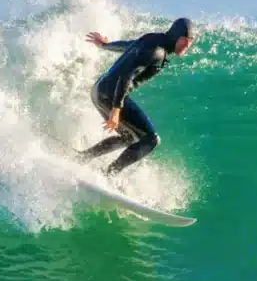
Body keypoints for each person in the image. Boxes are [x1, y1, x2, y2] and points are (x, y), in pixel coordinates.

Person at [77, 17, 195, 175]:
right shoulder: (158, 52)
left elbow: (128, 45)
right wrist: (116, 109)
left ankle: (83, 157)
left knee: (130, 137)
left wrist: (105, 45)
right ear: (175, 36)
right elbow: (126, 76)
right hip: (110, 94)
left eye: (190, 41)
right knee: (152, 139)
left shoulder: (152, 39)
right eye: (184, 40)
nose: (187, 45)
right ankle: (110, 174)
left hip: (99, 90)